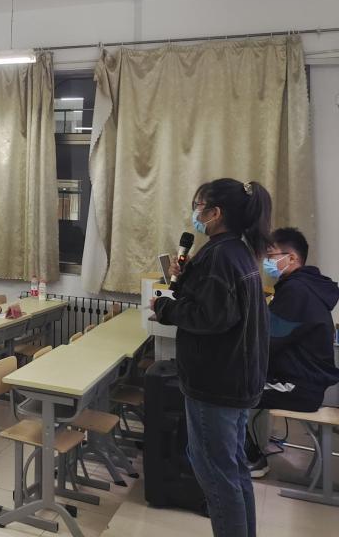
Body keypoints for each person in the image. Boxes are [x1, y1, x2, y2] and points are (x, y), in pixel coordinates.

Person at [152, 179, 272, 537]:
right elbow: (217, 304)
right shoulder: (235, 251)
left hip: (215, 383)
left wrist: (164, 308)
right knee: (232, 469)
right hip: (235, 378)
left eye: (199, 206)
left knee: (216, 475)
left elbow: (211, 317)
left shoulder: (220, 255)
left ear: (215, 213)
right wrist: (187, 276)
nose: (195, 213)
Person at [246, 227, 339, 477]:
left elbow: (267, 342)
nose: (267, 262)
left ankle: (251, 459)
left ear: (292, 258)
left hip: (299, 386)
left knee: (228, 388)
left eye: (271, 256)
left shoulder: (297, 292)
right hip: (303, 381)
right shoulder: (305, 286)